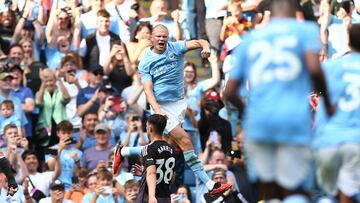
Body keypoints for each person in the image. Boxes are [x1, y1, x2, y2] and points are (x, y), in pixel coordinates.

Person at [224, 0, 334, 202]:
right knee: (297, 190)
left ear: (269, 15)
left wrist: (249, 112)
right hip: (293, 121)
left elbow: (229, 91)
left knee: (269, 192)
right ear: (294, 13)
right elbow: (315, 69)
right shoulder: (306, 31)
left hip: (261, 126)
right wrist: (328, 104)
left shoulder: (250, 39)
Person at [114, 24, 231, 196]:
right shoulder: (146, 61)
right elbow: (147, 89)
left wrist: (205, 47)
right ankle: (210, 185)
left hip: (178, 104)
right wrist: (157, 109)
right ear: (152, 38)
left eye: (165, 36)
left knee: (165, 149)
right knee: (185, 141)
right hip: (161, 106)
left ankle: (123, 151)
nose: (162, 39)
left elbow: (198, 41)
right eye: (158, 36)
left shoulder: (175, 48)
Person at [314, 24, 360, 203]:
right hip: (355, 140)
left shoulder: (331, 67)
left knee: (328, 195)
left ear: (348, 42)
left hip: (328, 141)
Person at [135, 114, 176, 203]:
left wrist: (152, 196)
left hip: (150, 198)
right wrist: (144, 173)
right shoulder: (172, 150)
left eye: (146, 126)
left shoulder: (148, 148)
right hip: (166, 198)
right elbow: (172, 176)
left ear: (150, 128)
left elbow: (152, 172)